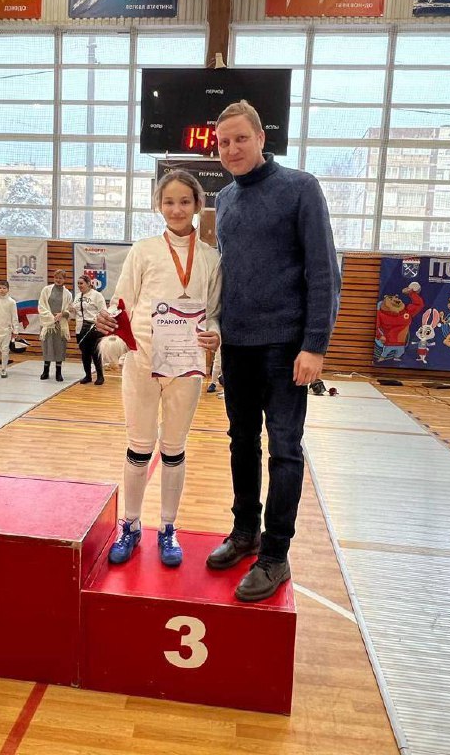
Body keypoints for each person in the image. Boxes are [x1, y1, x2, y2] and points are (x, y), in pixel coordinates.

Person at [205, 100, 341, 602]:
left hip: (286, 346)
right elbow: (224, 276)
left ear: (262, 138)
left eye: (241, 138)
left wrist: (315, 345)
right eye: (224, 142)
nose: (232, 148)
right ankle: (245, 532)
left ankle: (276, 554)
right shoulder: (225, 200)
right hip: (237, 345)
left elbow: (324, 271)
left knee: (284, 448)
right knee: (241, 441)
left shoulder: (300, 187)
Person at [95, 170, 221, 567]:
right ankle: (131, 525)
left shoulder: (210, 257)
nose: (177, 209)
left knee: (174, 449)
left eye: (185, 201)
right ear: (158, 206)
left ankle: (168, 527)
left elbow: (214, 312)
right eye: (169, 202)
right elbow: (121, 303)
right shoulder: (144, 250)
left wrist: (215, 334)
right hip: (143, 362)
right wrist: (109, 322)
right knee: (138, 446)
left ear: (197, 204)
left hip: (186, 366)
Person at [38, 269, 73, 382]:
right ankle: (46, 370)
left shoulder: (68, 294)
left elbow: (70, 310)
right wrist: (51, 317)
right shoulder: (46, 290)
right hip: (48, 324)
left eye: (60, 278)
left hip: (60, 325)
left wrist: (62, 315)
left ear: (64, 280)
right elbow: (41, 306)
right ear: (53, 278)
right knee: (47, 347)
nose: (58, 280)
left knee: (60, 347)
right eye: (56, 278)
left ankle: (58, 372)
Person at [72, 274, 106, 385]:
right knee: (85, 353)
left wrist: (98, 323)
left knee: (96, 353)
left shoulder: (97, 295)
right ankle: (88, 376)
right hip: (80, 328)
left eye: (81, 283)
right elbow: (74, 312)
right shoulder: (77, 296)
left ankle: (100, 376)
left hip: (93, 328)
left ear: (88, 283)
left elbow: (103, 311)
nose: (79, 285)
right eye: (78, 283)